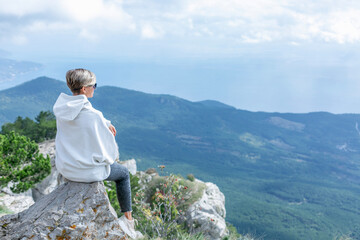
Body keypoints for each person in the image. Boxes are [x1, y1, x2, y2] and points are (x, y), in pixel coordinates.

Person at [53, 68, 142, 239]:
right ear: (85, 89)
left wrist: (105, 122)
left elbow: (82, 120)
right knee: (123, 174)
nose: (95, 88)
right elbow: (108, 154)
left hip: (66, 168)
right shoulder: (94, 116)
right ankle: (129, 220)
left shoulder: (62, 109)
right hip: (86, 173)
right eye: (94, 85)